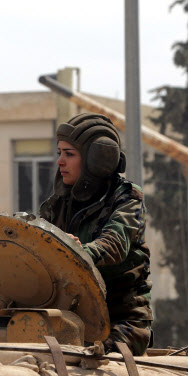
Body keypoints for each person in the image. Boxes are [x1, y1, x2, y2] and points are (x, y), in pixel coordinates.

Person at [39, 113, 152, 356]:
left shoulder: (126, 199)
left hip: (122, 323)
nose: (59, 162)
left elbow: (114, 244)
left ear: (97, 161)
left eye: (69, 154)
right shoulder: (56, 206)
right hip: (69, 319)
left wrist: (78, 251)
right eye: (59, 152)